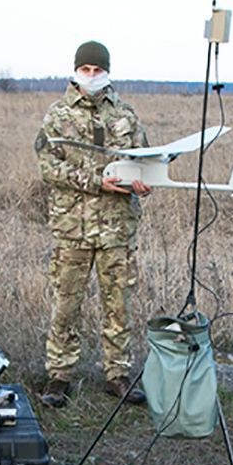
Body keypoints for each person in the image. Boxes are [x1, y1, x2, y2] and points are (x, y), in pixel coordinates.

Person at [34, 40, 151, 408]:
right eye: (85, 70)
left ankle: (117, 374)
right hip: (73, 229)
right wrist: (94, 180)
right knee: (65, 303)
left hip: (117, 228)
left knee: (119, 304)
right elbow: (49, 167)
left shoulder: (126, 116)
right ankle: (59, 376)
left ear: (107, 72)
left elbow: (144, 161)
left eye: (97, 70)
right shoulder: (57, 116)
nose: (91, 76)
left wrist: (143, 183)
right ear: (75, 71)